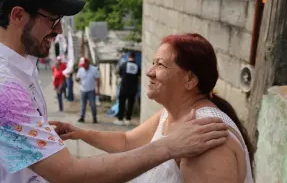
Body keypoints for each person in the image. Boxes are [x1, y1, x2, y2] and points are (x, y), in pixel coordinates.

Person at [0, 0, 228, 183]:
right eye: (53, 19)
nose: (59, 31)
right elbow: (69, 174)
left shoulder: (16, 64)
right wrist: (170, 147)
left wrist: (42, 132)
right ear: (18, 15)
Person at [51, 33, 254, 183]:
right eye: (153, 63)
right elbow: (127, 142)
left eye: (161, 65)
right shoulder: (170, 114)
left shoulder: (205, 134)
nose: (149, 72)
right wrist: (79, 132)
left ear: (190, 79)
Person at [114, 52, 141, 126]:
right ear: (134, 57)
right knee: (130, 104)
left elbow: (119, 74)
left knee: (121, 103)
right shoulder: (138, 66)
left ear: (128, 57)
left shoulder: (123, 65)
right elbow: (138, 77)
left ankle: (120, 119)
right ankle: (128, 120)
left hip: (124, 88)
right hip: (133, 89)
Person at [76, 57, 100, 123]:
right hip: (83, 90)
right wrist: (77, 79)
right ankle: (82, 117)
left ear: (88, 63)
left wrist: (98, 90)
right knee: (82, 105)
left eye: (84, 65)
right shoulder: (81, 69)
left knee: (93, 105)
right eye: (82, 65)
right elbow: (77, 78)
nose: (83, 66)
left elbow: (98, 80)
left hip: (91, 90)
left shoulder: (94, 69)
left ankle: (94, 118)